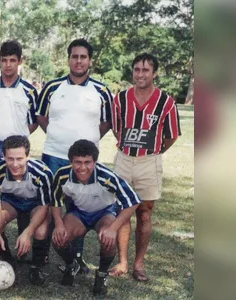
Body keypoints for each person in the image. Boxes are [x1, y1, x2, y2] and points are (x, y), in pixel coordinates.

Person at [36, 38, 113, 272]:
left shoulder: (101, 90)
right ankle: (41, 257)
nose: (78, 61)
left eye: (83, 57)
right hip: (54, 155)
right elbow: (40, 116)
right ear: (68, 59)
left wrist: (87, 142)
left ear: (90, 60)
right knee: (50, 205)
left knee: (79, 206)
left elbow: (107, 122)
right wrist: (58, 135)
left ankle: (76, 258)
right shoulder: (52, 87)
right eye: (74, 56)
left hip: (84, 162)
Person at [109, 53, 181, 282]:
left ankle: (139, 264)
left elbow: (171, 136)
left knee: (144, 213)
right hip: (124, 159)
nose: (140, 74)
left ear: (154, 73)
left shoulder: (165, 101)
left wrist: (154, 152)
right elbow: (116, 128)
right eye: (137, 69)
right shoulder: (120, 99)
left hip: (148, 161)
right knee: (122, 211)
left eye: (146, 70)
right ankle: (122, 261)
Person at [51, 139, 141, 296]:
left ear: (95, 161)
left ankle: (102, 275)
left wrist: (113, 229)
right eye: (77, 162)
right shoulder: (62, 175)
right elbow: (55, 200)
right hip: (79, 213)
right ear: (71, 161)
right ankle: (71, 265)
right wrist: (58, 224)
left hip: (104, 212)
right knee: (59, 238)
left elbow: (133, 200)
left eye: (88, 162)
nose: (82, 167)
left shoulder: (107, 176)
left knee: (108, 239)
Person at [0, 135, 53, 286]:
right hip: (12, 201)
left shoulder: (43, 173)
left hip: (35, 203)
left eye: (20, 158)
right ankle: (7, 260)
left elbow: (44, 206)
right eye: (10, 159)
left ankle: (36, 266)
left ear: (28, 156)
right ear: (3, 156)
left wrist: (27, 233)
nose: (15, 164)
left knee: (40, 231)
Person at [0, 40, 38, 161]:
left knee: (16, 180)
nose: (8, 64)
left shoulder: (29, 91)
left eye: (12, 60)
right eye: (4, 60)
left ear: (19, 61)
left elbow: (33, 122)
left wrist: (18, 139)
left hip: (18, 149)